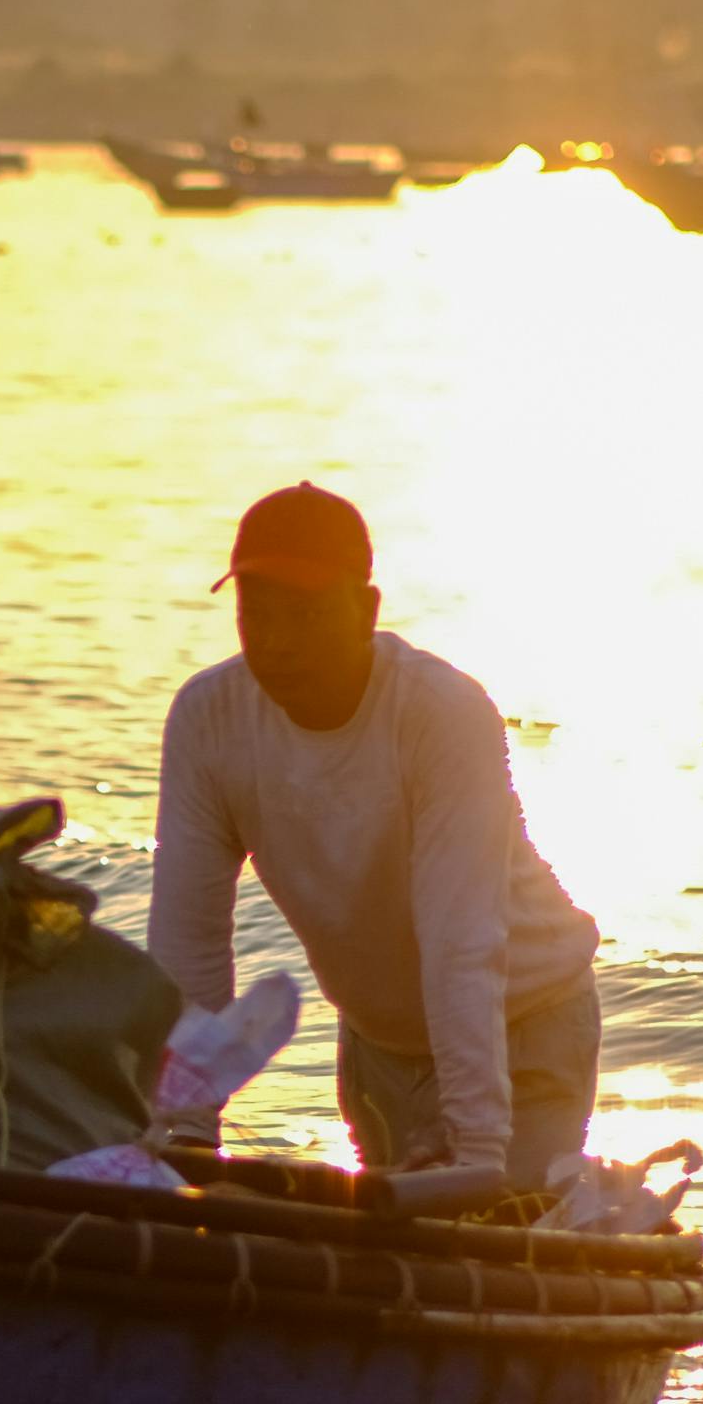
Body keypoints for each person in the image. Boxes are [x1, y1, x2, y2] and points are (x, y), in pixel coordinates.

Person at [145, 481, 602, 1187]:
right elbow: (189, 942)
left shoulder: (441, 714)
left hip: (525, 1028)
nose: (276, 642)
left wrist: (477, 1149)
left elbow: (461, 941)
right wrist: (187, 1132)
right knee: (388, 1282)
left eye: (304, 614)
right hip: (376, 1046)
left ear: (366, 610)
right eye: (255, 614)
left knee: (486, 1246)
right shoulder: (208, 720)